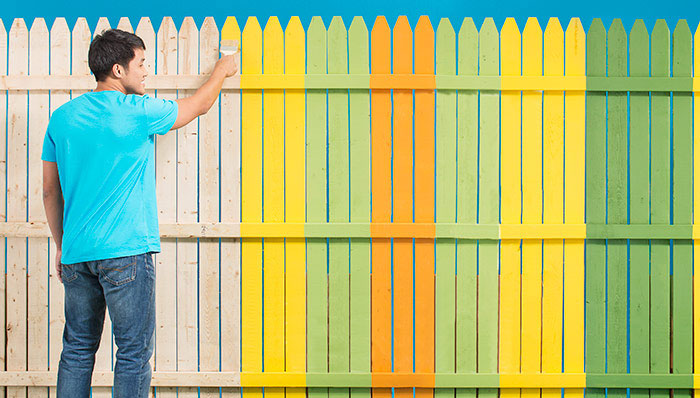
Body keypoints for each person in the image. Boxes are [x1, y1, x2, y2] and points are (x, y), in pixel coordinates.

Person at [41, 28, 237, 397]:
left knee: (77, 350)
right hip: (126, 253)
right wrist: (222, 71)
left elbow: (51, 190)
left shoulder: (62, 117)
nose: (146, 71)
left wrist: (62, 246)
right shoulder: (137, 111)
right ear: (118, 69)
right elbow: (198, 106)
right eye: (142, 63)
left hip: (77, 253)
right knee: (132, 354)